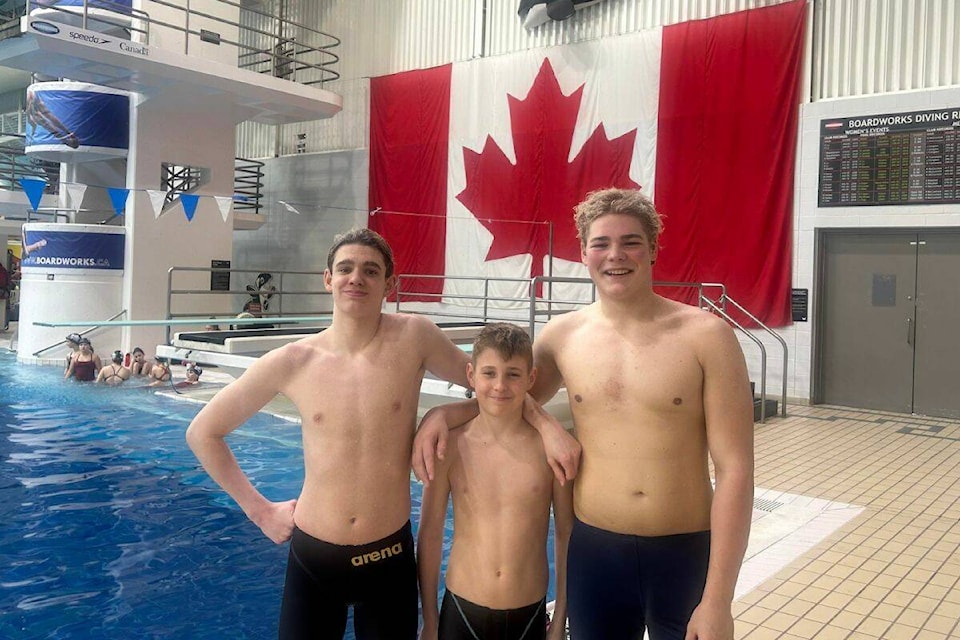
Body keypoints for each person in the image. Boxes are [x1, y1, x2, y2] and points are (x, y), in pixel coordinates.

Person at [185, 228, 581, 640]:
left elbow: (492, 385)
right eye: (346, 268)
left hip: (388, 557)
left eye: (371, 271)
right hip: (314, 555)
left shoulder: (414, 337)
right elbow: (204, 433)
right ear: (328, 278)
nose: (356, 278)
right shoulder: (292, 361)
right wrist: (259, 510)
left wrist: (466, 415)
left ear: (389, 285)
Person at [414, 188, 754, 640]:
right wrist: (446, 413)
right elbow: (506, 396)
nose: (616, 255)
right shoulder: (562, 337)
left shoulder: (708, 337)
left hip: (682, 549)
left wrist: (718, 600)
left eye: (631, 241)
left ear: (653, 249)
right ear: (584, 252)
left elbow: (735, 470)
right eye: (601, 243)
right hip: (595, 550)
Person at [417, 324, 573, 640]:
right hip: (462, 608)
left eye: (513, 374)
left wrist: (559, 624)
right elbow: (431, 532)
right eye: (489, 373)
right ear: (472, 375)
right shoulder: (450, 447)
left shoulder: (551, 450)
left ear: (531, 379)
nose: (500, 385)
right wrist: (430, 620)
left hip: (528, 612)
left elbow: (566, 535)